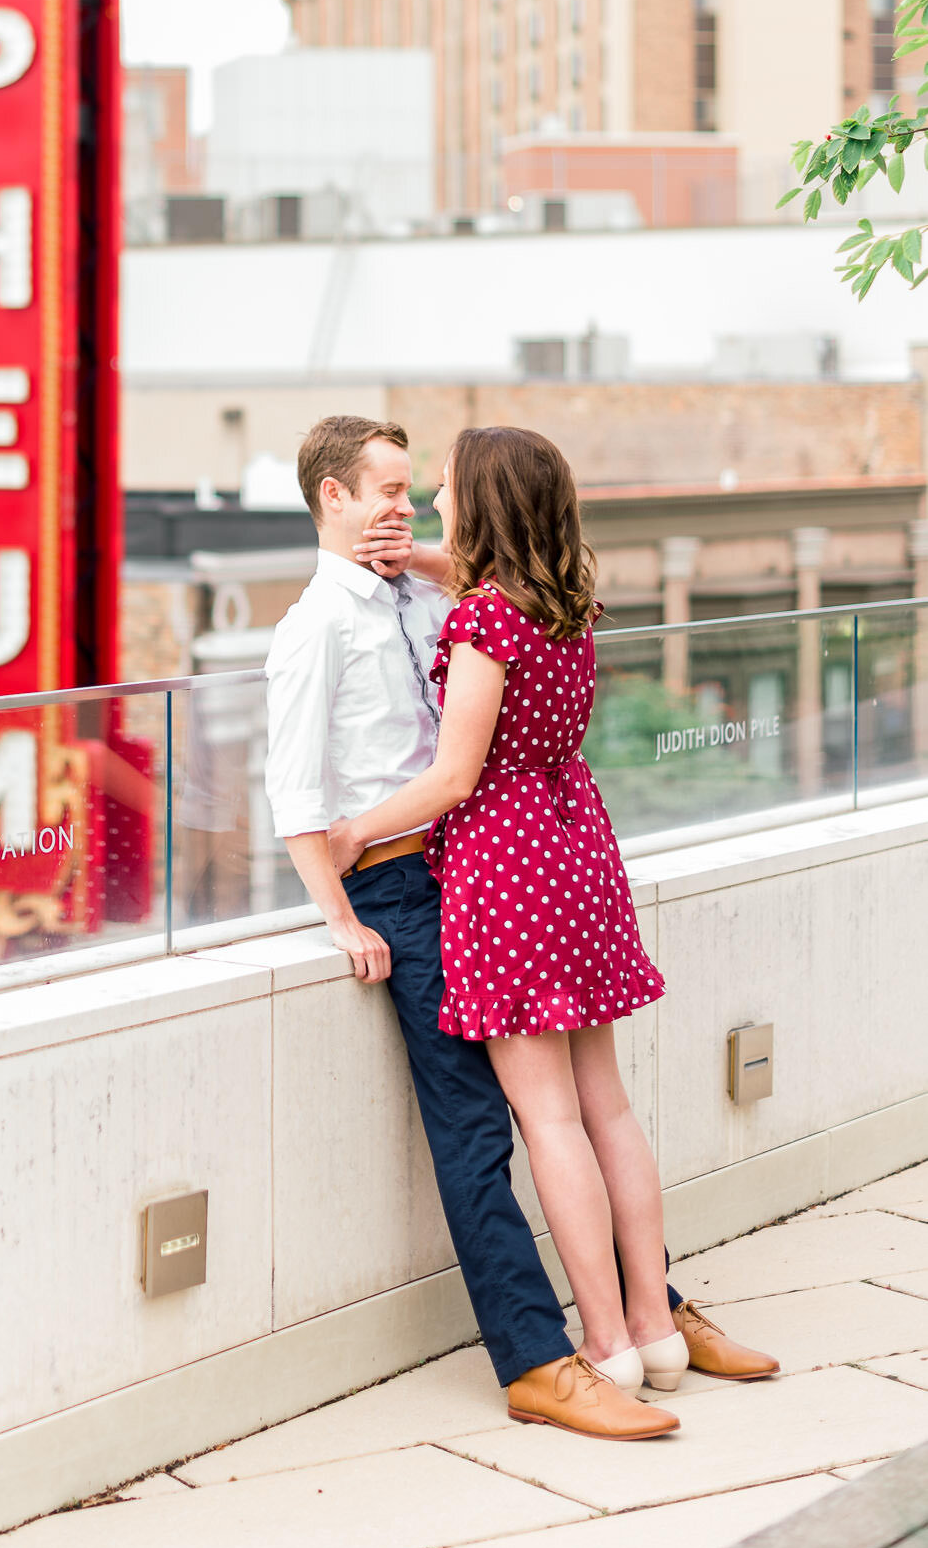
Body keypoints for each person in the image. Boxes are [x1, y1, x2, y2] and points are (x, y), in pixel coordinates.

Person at [265, 414, 777, 1442]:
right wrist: (338, 905)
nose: (412, 507)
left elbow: (450, 769)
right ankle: (584, 1341)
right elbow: (292, 790)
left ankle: (623, 1329)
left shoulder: (461, 606)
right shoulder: (492, 603)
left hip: (488, 863)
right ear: (331, 496)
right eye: (389, 491)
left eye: (428, 488)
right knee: (535, 1117)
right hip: (468, 871)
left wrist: (361, 825)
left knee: (555, 1116)